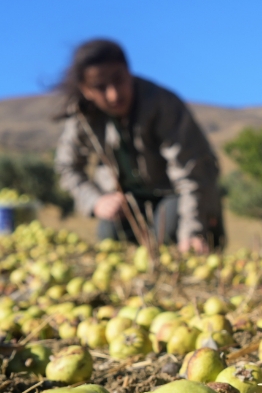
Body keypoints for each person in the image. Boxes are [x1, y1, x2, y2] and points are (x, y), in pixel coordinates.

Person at [54, 39, 223, 253]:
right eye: (100, 87)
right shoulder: (81, 117)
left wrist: (193, 230)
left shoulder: (162, 104)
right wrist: (96, 201)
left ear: (129, 71)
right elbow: (67, 167)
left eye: (119, 80)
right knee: (110, 235)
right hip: (130, 204)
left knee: (170, 230)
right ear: (86, 90)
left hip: (175, 195)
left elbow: (193, 173)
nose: (114, 94)